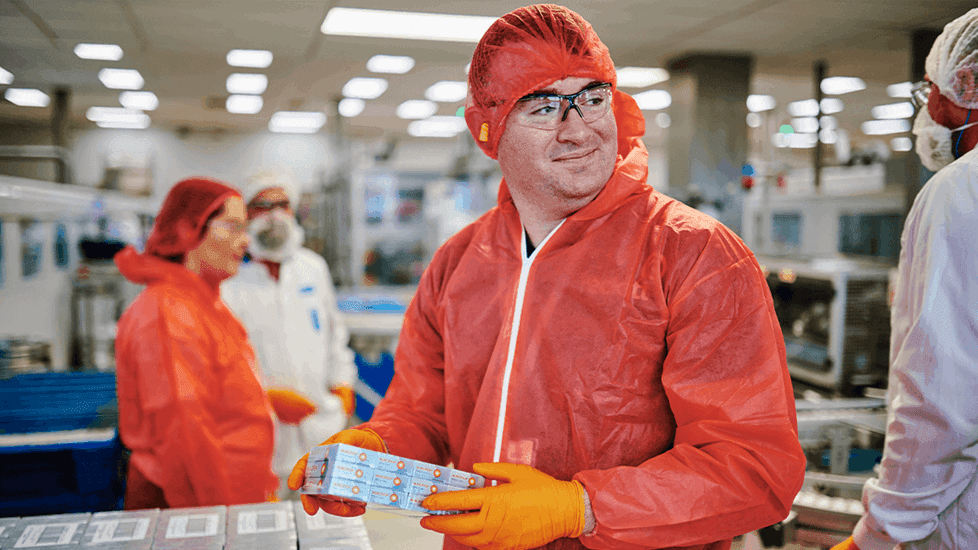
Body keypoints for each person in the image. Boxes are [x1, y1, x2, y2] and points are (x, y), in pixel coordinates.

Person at [289, 5, 806, 550]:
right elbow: (424, 413)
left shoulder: (692, 254)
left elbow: (754, 465)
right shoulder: (458, 263)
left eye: (593, 98)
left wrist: (579, 507)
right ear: (487, 129)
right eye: (543, 107)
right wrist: (376, 452)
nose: (578, 129)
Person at [831, 9, 978, 550]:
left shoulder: (961, 192)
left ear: (964, 85)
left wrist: (879, 533)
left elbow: (939, 397)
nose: (928, 112)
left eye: (929, 90)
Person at [114, 177, 278, 508]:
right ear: (188, 230)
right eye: (232, 227)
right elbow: (185, 437)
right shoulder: (169, 312)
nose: (245, 241)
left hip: (233, 498)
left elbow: (213, 392)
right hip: (191, 507)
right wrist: (217, 521)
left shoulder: (200, 302)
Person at [221, 169, 357, 498]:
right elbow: (222, 363)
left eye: (282, 205)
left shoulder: (313, 267)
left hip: (319, 426)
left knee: (323, 528)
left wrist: (343, 384)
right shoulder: (229, 278)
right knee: (263, 532)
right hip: (261, 436)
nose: (274, 216)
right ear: (247, 216)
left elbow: (334, 335)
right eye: (263, 207)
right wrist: (264, 400)